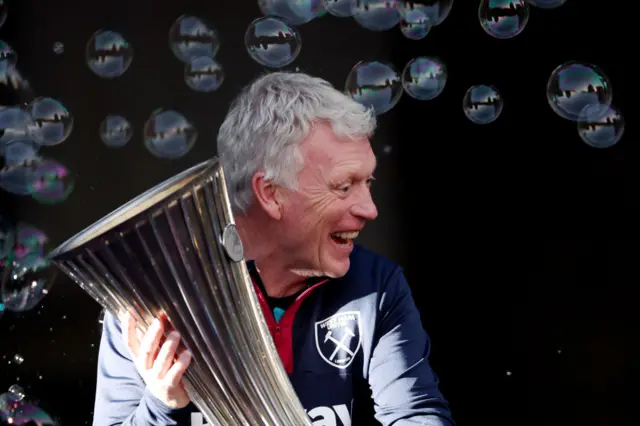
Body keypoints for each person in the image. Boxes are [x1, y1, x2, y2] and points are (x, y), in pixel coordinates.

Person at [92, 72, 455, 426]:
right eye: (344, 186)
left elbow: (417, 415)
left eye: (368, 182)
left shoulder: (377, 286)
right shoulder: (152, 300)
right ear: (270, 193)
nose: (369, 209)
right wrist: (162, 404)